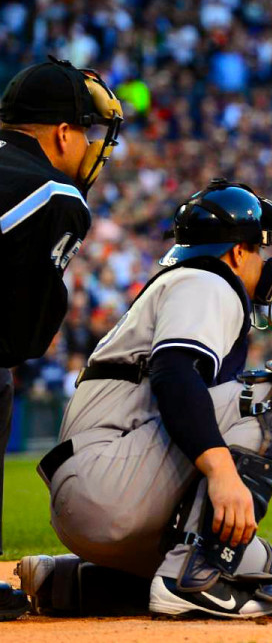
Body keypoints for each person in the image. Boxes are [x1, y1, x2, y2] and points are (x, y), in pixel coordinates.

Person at [15, 179, 272, 619]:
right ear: (236, 253)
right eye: (263, 252)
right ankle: (192, 580)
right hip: (108, 477)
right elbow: (174, 374)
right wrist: (221, 471)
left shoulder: (188, 281)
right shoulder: (206, 281)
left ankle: (72, 583)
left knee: (268, 570)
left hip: (106, 486)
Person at [0, 57, 122, 621]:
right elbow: (23, 332)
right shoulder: (56, 196)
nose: (94, 146)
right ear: (63, 133)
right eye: (88, 132)